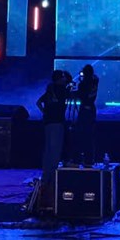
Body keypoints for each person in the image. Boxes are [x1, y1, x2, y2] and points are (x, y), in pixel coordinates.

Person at [36, 69, 71, 201]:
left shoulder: (50, 89)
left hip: (48, 122)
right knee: (55, 151)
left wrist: (45, 112)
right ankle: (51, 180)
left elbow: (38, 102)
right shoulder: (62, 89)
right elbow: (72, 92)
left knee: (48, 150)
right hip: (57, 123)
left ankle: (45, 177)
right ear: (59, 79)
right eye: (63, 77)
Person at [72, 64, 99, 166]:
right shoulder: (95, 81)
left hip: (84, 110)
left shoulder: (83, 84)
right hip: (91, 110)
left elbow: (81, 95)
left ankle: (78, 158)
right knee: (90, 135)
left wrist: (80, 80)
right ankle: (89, 159)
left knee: (80, 134)